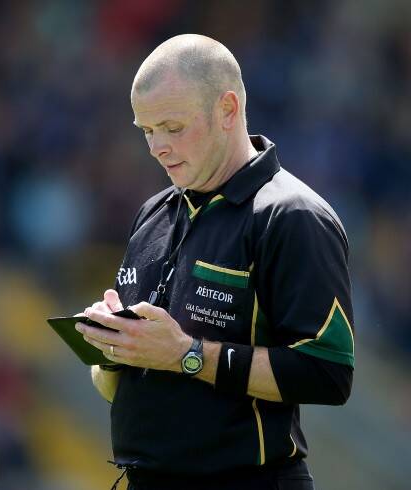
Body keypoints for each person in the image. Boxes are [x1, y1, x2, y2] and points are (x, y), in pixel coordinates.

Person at [77, 34, 354, 490]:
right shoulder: (154, 212)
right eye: (147, 130)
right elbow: (119, 387)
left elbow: (328, 373)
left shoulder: (292, 215)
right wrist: (115, 349)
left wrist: (186, 355)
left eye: (172, 126)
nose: (156, 147)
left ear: (227, 109)